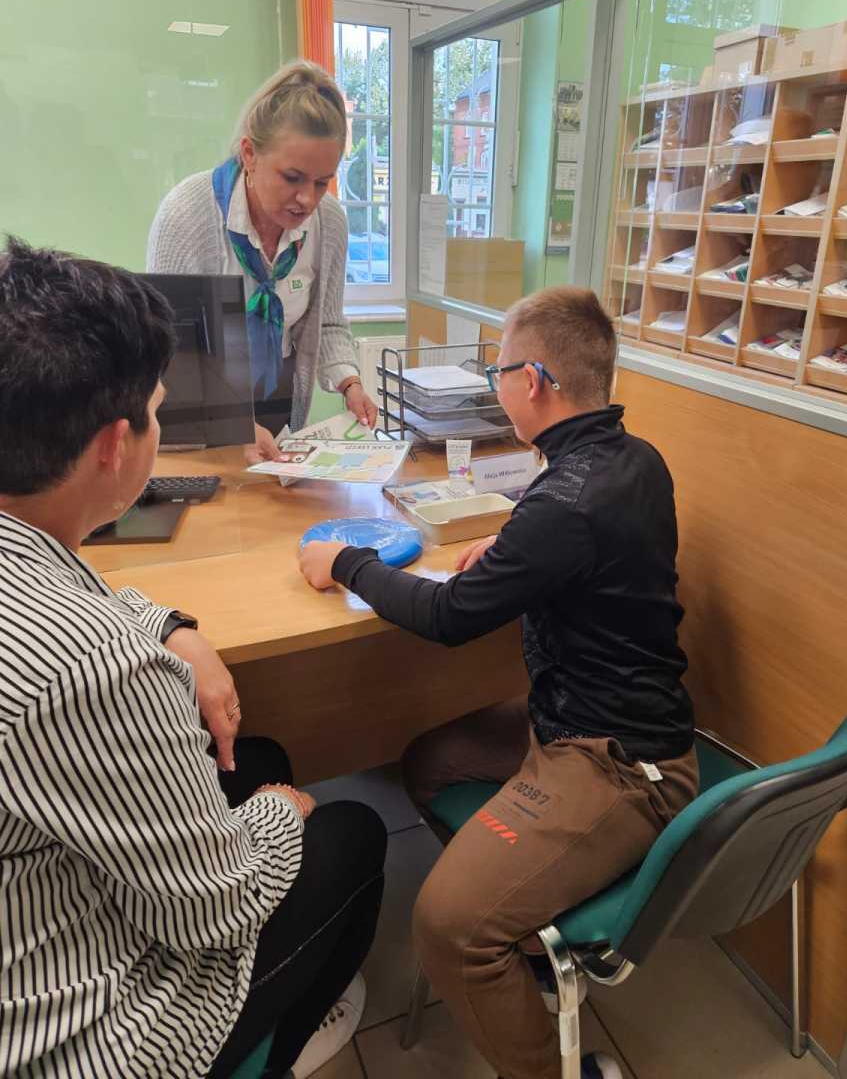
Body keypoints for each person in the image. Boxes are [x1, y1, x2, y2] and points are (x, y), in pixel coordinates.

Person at [0, 238, 386, 1078]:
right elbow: (217, 909)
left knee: (257, 754)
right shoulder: (94, 669)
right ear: (116, 445)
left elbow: (83, 600)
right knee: (347, 830)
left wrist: (174, 625)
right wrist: (280, 813)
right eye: (159, 408)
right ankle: (281, 1042)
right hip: (85, 1035)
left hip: (38, 904)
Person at [299, 286, 698, 1079]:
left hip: (620, 764)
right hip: (573, 717)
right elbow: (579, 544)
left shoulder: (565, 504)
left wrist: (345, 562)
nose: (496, 386)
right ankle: (528, 932)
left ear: (535, 381)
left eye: (500, 372)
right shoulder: (631, 459)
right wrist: (515, 547)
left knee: (445, 925)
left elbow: (447, 617)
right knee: (428, 763)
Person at [147, 60, 378, 462]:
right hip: (200, 410)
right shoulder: (187, 214)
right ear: (250, 154)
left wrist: (350, 383)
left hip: (279, 395)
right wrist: (231, 423)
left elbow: (327, 323)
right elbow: (168, 353)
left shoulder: (329, 223)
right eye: (292, 177)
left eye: (322, 182)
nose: (307, 199)